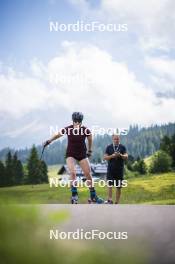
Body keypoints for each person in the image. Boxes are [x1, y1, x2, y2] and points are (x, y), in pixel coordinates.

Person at [44, 112, 103, 204]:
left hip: (82, 154)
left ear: (81, 121)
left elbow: (90, 139)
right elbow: (57, 135)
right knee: (73, 173)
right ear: (73, 121)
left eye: (79, 121)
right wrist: (49, 141)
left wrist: (90, 150)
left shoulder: (85, 130)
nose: (77, 123)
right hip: (71, 154)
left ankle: (93, 196)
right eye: (75, 121)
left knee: (88, 174)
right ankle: (74, 195)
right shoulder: (68, 129)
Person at [104, 134, 128, 204]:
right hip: (110, 169)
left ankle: (117, 202)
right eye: (115, 139)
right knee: (110, 185)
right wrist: (112, 156)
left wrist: (121, 155)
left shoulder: (122, 147)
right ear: (112, 139)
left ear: (119, 139)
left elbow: (126, 156)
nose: (116, 140)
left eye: (117, 139)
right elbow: (105, 157)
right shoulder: (109, 147)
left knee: (118, 187)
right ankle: (110, 199)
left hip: (119, 170)